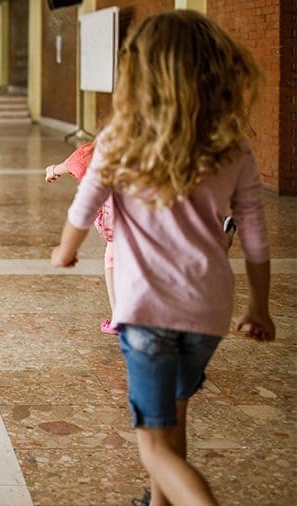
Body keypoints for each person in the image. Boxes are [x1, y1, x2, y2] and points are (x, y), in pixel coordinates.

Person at [51, 11, 273, 506]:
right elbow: (255, 236)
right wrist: (259, 306)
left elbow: (84, 206)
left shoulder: (120, 139)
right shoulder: (233, 146)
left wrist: (65, 250)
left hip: (147, 310)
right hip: (207, 312)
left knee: (153, 445)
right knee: (174, 418)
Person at [45, 142, 118, 335]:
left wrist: (53, 169)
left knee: (112, 256)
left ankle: (118, 317)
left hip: (116, 217)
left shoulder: (109, 143)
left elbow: (78, 161)